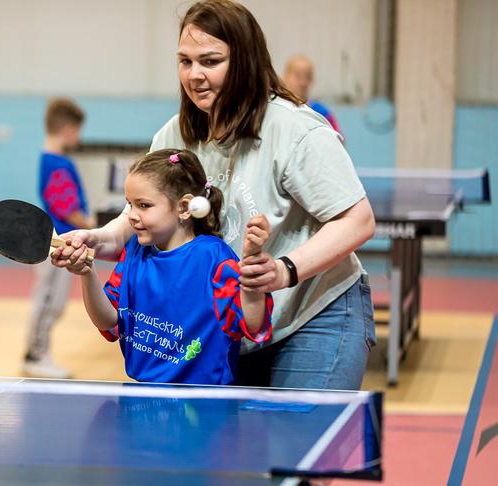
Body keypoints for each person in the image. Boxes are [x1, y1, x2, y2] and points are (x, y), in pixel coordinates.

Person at [54, 0, 376, 390]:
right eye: (185, 62)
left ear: (245, 62)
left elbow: (357, 220)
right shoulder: (174, 135)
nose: (195, 75)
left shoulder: (295, 130)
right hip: (239, 320)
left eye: (210, 61)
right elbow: (138, 216)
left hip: (315, 311)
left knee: (303, 441)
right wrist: (97, 239)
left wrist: (283, 270)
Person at [62, 148, 272, 385]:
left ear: (183, 207)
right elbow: (108, 322)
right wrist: (86, 273)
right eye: (130, 204)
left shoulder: (214, 258)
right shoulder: (134, 252)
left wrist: (253, 265)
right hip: (144, 400)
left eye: (144, 205)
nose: (131, 215)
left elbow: (253, 325)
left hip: (207, 406)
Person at [21, 98, 94, 379]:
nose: (78, 136)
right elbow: (68, 208)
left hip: (59, 242)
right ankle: (35, 355)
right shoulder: (57, 164)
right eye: (77, 130)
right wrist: (89, 224)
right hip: (56, 245)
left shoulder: (52, 161)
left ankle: (38, 352)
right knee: (49, 300)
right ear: (66, 129)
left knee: (53, 301)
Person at [281, 54, 342, 136]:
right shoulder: (278, 110)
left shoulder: (322, 113)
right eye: (298, 76)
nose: (303, 82)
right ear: (285, 76)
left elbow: (338, 141)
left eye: (308, 76)